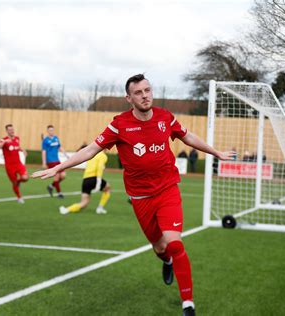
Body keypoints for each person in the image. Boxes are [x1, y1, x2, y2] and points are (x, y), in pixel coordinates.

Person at [32, 74, 234, 316]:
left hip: (168, 190)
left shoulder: (165, 117)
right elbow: (92, 149)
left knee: (175, 243)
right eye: (138, 92)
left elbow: (187, 136)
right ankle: (166, 261)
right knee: (160, 248)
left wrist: (215, 152)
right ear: (129, 98)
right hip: (140, 198)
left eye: (147, 90)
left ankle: (188, 304)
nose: (145, 95)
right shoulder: (119, 124)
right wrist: (59, 167)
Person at [59, 150, 111, 215]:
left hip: (86, 180)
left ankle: (66, 209)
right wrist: (98, 182)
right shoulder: (103, 156)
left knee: (84, 203)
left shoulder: (92, 154)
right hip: (94, 178)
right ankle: (100, 208)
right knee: (108, 189)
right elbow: (99, 168)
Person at [0, 124, 29, 203]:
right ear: (7, 131)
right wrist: (4, 142)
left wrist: (23, 150)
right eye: (10, 130)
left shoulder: (17, 138)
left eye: (12, 129)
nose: (12, 131)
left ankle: (19, 181)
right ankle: (19, 197)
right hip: (9, 166)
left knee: (25, 178)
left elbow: (17, 147)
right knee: (14, 183)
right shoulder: (3, 139)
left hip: (18, 164)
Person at [42, 125, 68, 198]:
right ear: (47, 131)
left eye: (52, 130)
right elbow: (43, 151)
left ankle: (51, 186)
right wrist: (44, 162)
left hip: (57, 160)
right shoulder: (45, 140)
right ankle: (59, 193)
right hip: (50, 161)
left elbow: (59, 147)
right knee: (56, 176)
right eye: (50, 130)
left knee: (63, 176)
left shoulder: (56, 138)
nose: (51, 131)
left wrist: (65, 155)